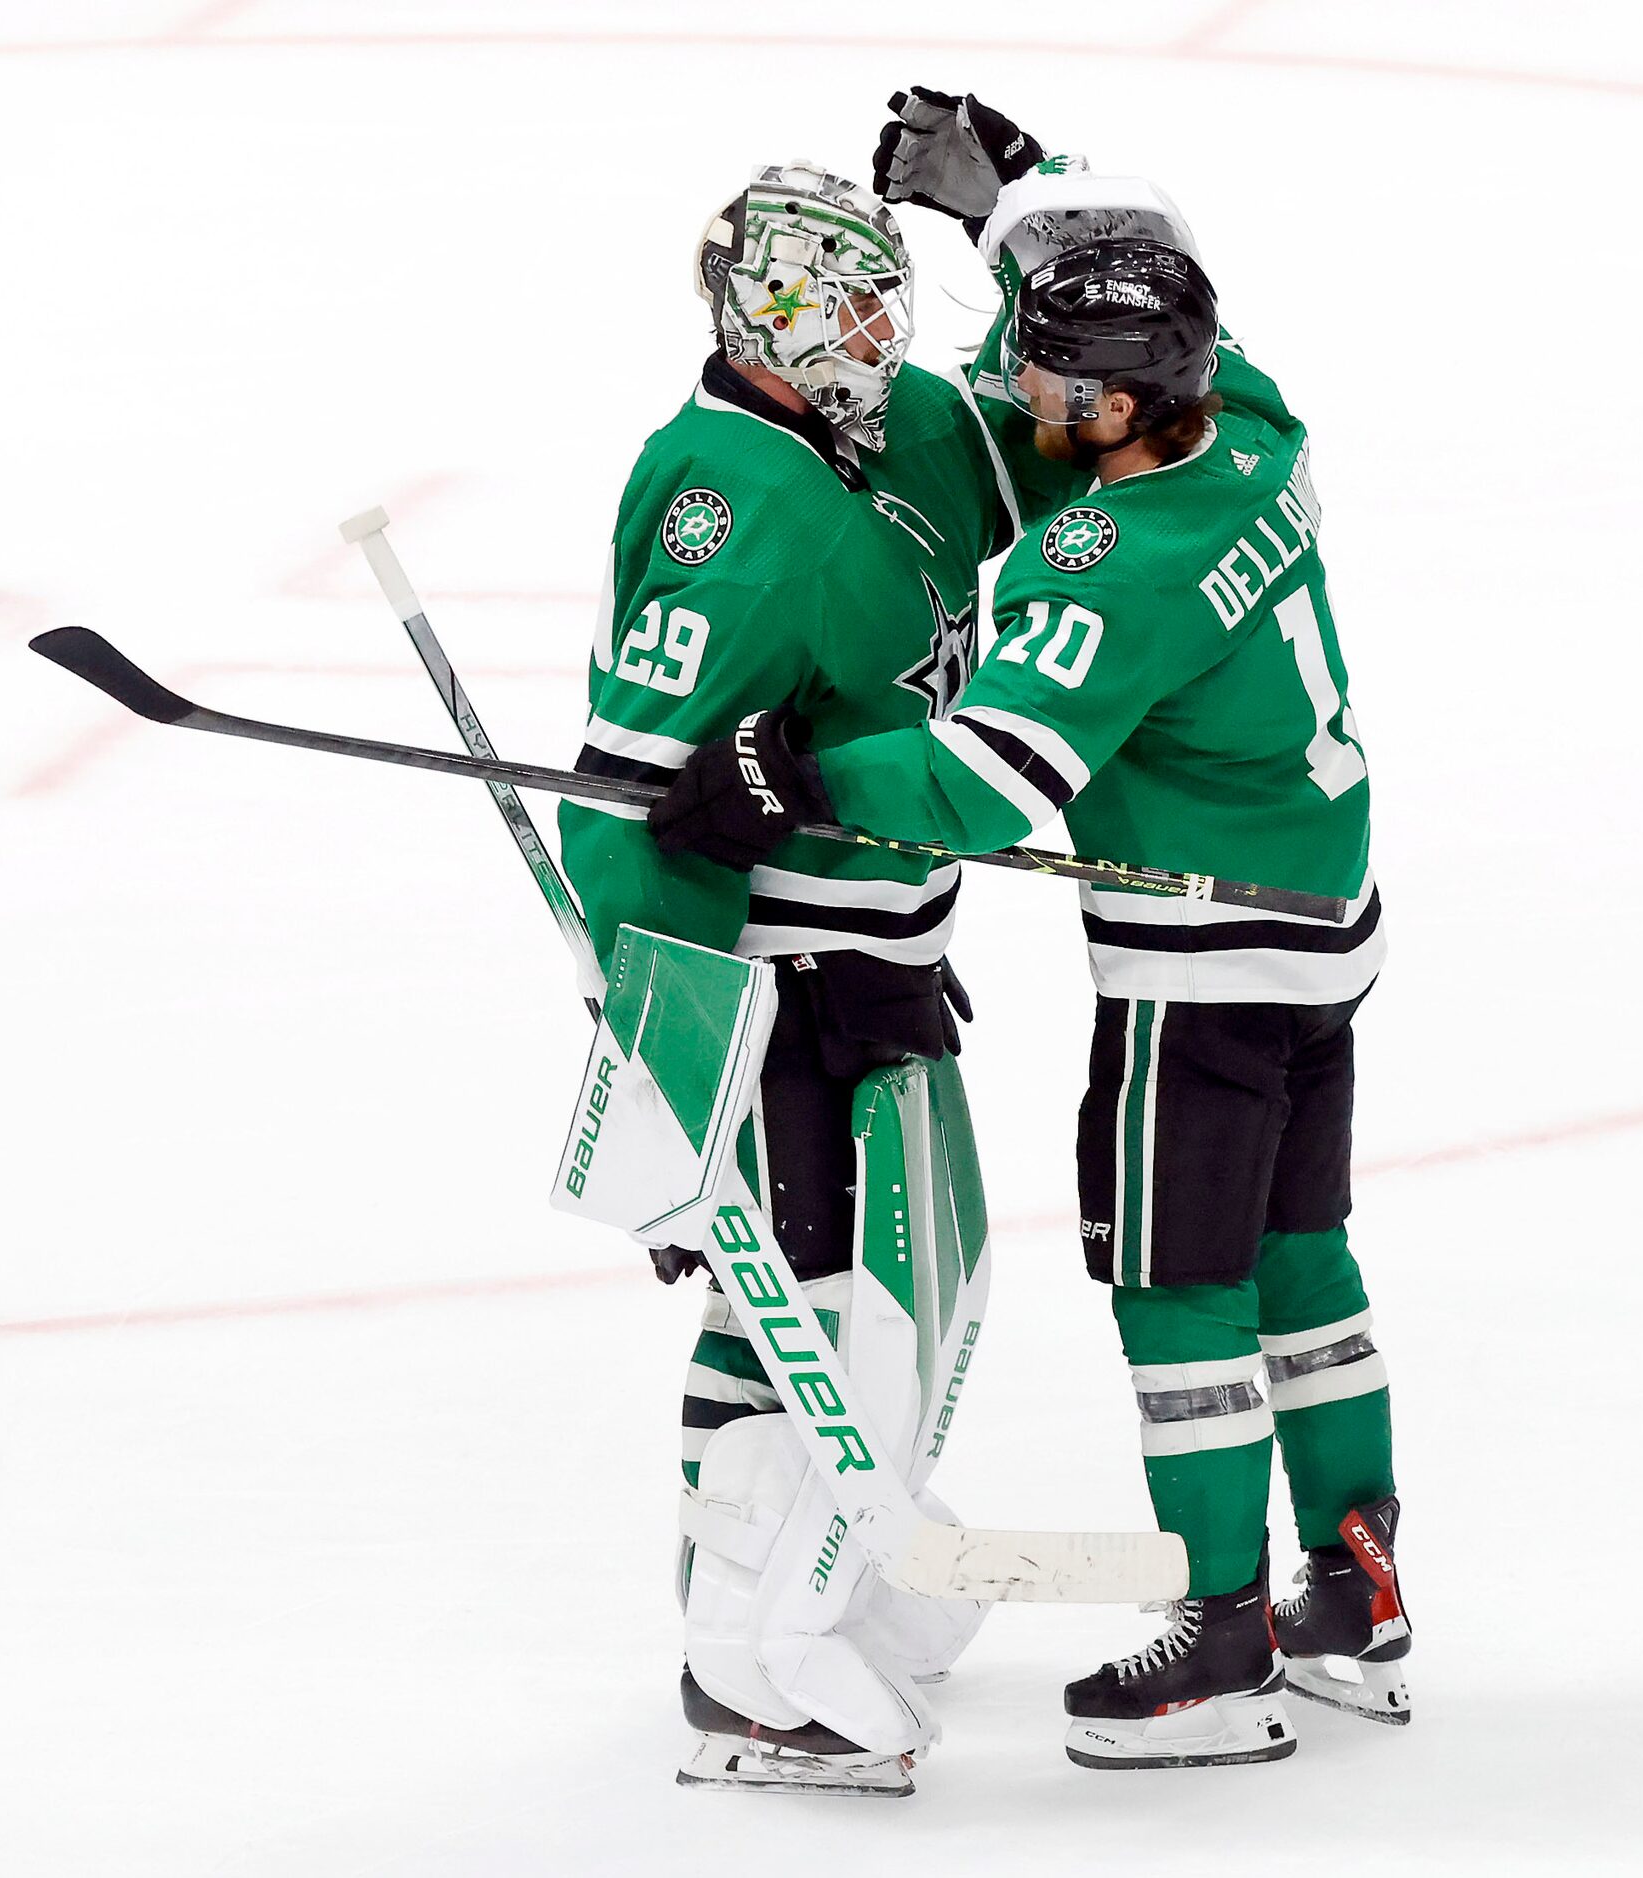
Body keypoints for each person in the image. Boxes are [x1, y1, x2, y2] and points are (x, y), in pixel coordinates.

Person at [652, 211, 1411, 1770]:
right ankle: (1353, 1586)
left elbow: (984, 777)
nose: (1014, 382)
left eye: (1055, 373)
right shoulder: (1254, 435)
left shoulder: (1107, 555)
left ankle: (1217, 1647)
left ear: (1128, 405)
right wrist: (1017, 197)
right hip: (1326, 920)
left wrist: (776, 770)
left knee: (1177, 1289)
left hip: (1200, 975)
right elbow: (1167, 283)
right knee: (1299, 1258)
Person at [557, 160, 1018, 1797]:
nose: (887, 332)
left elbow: (1108, 412)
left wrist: (1027, 206)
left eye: (893, 293)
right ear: (771, 314)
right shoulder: (730, 514)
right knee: (804, 1307)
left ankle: (831, 1565)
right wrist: (667, 1054)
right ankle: (738, 1660)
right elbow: (627, 811)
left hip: (887, 955)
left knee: (913, 1300)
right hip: (779, 979)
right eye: (852, 301)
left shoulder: (900, 435)